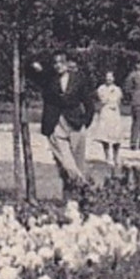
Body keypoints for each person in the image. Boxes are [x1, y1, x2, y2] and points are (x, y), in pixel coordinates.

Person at [36, 52, 93, 190]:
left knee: (78, 162)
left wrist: (85, 121)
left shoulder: (78, 79)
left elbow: (88, 102)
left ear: (67, 64)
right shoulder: (48, 80)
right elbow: (32, 68)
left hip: (75, 123)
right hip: (55, 124)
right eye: (55, 63)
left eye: (61, 62)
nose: (58, 66)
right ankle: (83, 183)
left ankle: (75, 199)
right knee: (66, 163)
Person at [94, 70, 126, 171]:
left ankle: (116, 156)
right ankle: (107, 157)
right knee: (105, 136)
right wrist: (109, 98)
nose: (109, 79)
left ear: (113, 78)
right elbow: (103, 100)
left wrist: (113, 100)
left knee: (116, 136)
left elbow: (119, 100)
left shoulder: (117, 89)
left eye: (110, 77)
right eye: (107, 77)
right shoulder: (101, 88)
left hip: (115, 113)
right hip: (105, 112)